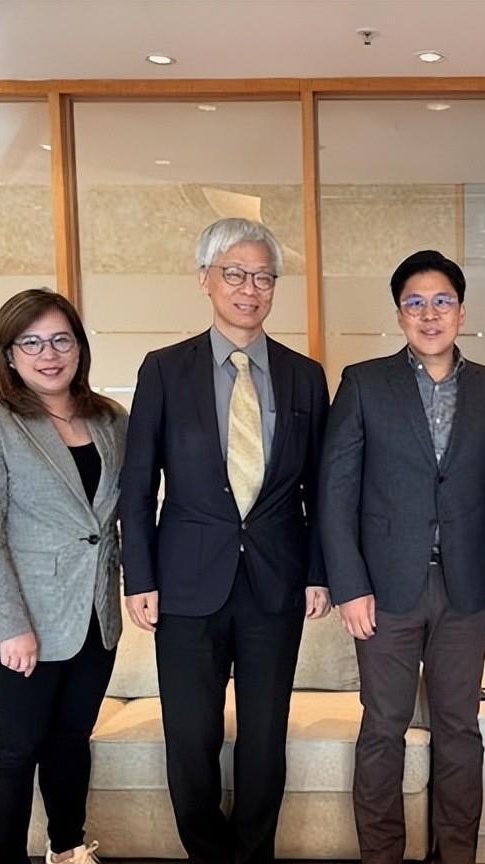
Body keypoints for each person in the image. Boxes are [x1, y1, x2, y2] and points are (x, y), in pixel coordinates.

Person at [119, 218, 331, 864]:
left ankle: (254, 854)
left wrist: (319, 572)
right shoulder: (164, 370)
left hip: (275, 581)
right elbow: (137, 484)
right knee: (191, 738)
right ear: (205, 279)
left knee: (264, 739)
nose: (249, 289)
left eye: (263, 277)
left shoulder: (304, 376)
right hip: (186, 584)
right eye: (235, 274)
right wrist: (139, 577)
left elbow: (322, 489)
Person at [319, 250, 485, 864]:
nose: (429, 314)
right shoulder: (364, 383)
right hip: (384, 590)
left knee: (459, 729)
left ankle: (454, 855)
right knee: (383, 727)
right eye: (415, 303)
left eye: (441, 302)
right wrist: (349, 585)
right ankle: (381, 856)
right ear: (399, 314)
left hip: (467, 587)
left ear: (461, 312)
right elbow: (336, 491)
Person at [0, 288, 127, 864]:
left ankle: (68, 849)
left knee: (71, 741)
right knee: (17, 748)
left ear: (79, 348)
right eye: (31, 342)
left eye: (60, 340)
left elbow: (120, 516)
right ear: (8, 353)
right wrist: (9, 623)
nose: (48, 354)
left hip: (94, 615)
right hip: (19, 622)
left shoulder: (110, 418)